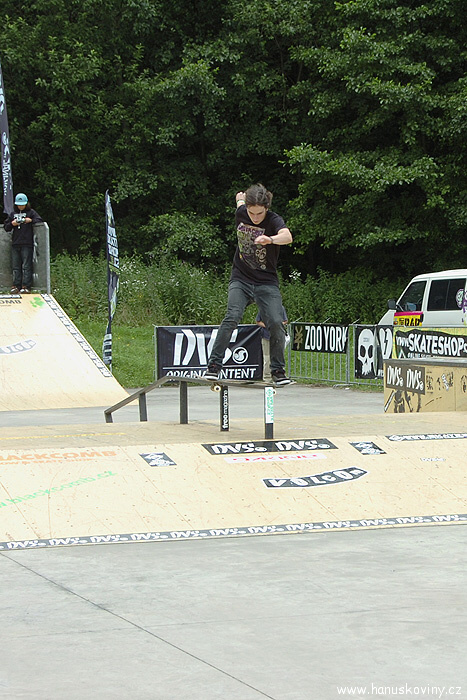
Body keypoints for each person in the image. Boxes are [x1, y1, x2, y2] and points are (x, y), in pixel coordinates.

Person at [205, 183, 293, 385]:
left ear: (267, 208)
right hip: (241, 278)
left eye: (259, 213)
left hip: (266, 281)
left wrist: (270, 239)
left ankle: (278, 371)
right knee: (232, 316)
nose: (255, 217)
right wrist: (240, 200)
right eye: (251, 213)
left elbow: (287, 237)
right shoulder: (242, 212)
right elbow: (240, 203)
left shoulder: (274, 220)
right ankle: (214, 366)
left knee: (276, 322)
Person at [3, 192, 43, 294]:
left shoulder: (31, 212)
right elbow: (6, 227)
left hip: (27, 243)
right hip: (15, 243)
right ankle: (16, 285)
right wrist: (12, 223)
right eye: (19, 205)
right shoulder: (12, 214)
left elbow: (39, 220)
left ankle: (26, 286)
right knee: (16, 266)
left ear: (26, 204)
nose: (20, 207)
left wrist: (29, 220)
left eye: (22, 205)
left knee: (26, 266)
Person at [256, 306, 289, 381]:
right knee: (267, 357)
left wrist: (277, 325)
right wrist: (268, 325)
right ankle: (267, 378)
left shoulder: (281, 308)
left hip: (278, 336)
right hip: (266, 336)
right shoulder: (263, 307)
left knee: (279, 356)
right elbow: (258, 321)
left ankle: (280, 375)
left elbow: (285, 320)